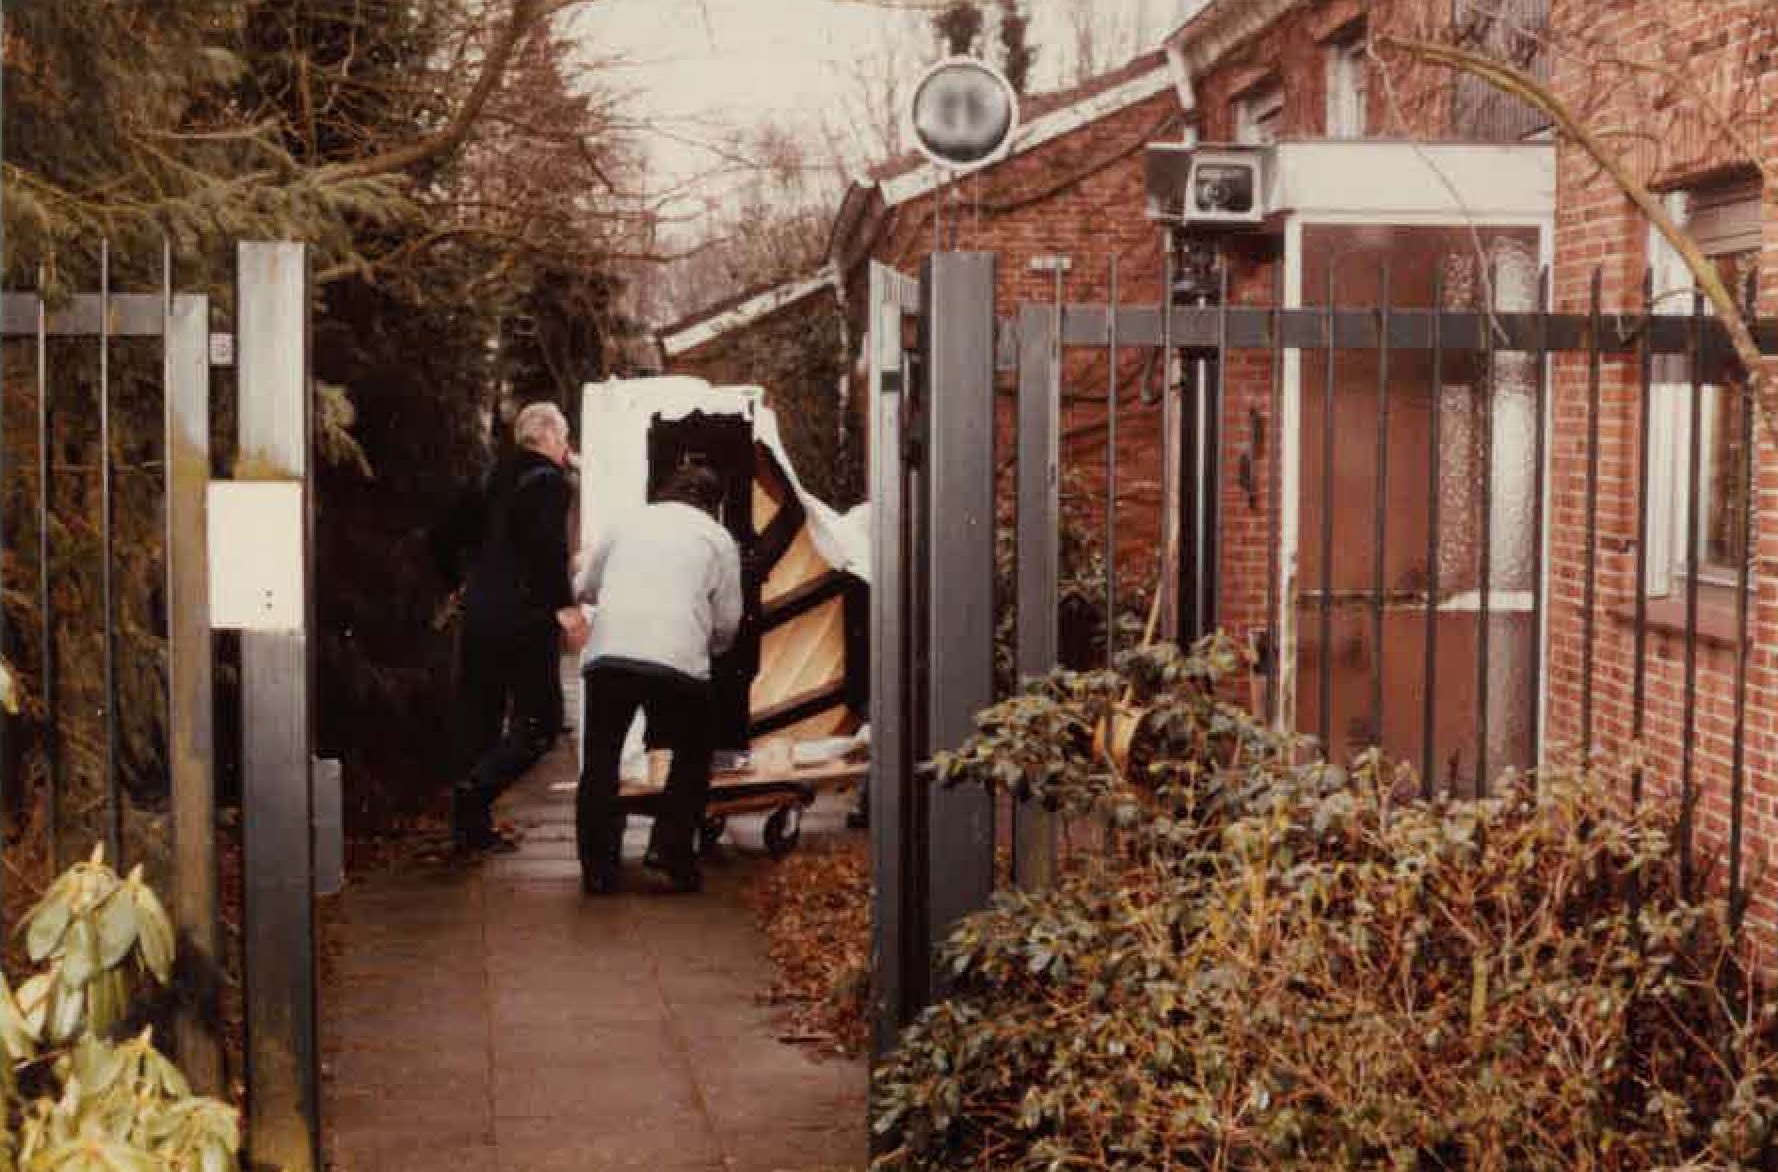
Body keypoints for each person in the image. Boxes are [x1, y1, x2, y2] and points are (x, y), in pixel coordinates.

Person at [574, 463, 743, 894]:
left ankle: (597, 869)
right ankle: (669, 848)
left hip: (609, 656)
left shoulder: (627, 521)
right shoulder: (718, 538)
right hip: (677, 661)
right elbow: (727, 621)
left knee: (600, 759)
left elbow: (587, 587)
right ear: (712, 506)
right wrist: (712, 649)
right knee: (692, 752)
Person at [448, 401, 588, 853]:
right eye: (564, 439)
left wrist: (457, 584)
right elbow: (546, 548)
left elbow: (445, 535)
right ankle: (478, 792)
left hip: (481, 615)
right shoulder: (549, 482)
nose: (566, 448)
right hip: (525, 619)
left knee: (481, 719)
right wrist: (566, 610)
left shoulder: (489, 476)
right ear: (548, 438)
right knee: (542, 723)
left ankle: (471, 827)